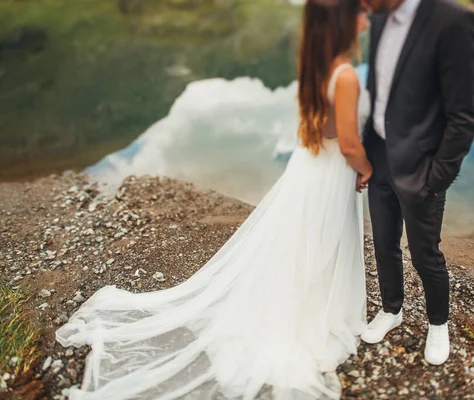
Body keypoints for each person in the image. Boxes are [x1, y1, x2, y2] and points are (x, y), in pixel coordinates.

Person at [56, 1, 372, 399]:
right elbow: (347, 144)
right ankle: (309, 313)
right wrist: (367, 167)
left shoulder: (316, 64)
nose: (367, 15)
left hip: (307, 167)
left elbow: (318, 127)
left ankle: (299, 300)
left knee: (301, 236)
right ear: (343, 21)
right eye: (360, 9)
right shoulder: (344, 76)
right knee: (322, 238)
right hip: (329, 173)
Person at [359, 0, 474, 366]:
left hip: (422, 169)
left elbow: (462, 117)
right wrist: (364, 154)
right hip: (378, 157)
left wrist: (436, 179)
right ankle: (391, 309)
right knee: (383, 243)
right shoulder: (379, 16)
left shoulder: (454, 21)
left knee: (425, 255)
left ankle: (437, 323)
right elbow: (377, 90)